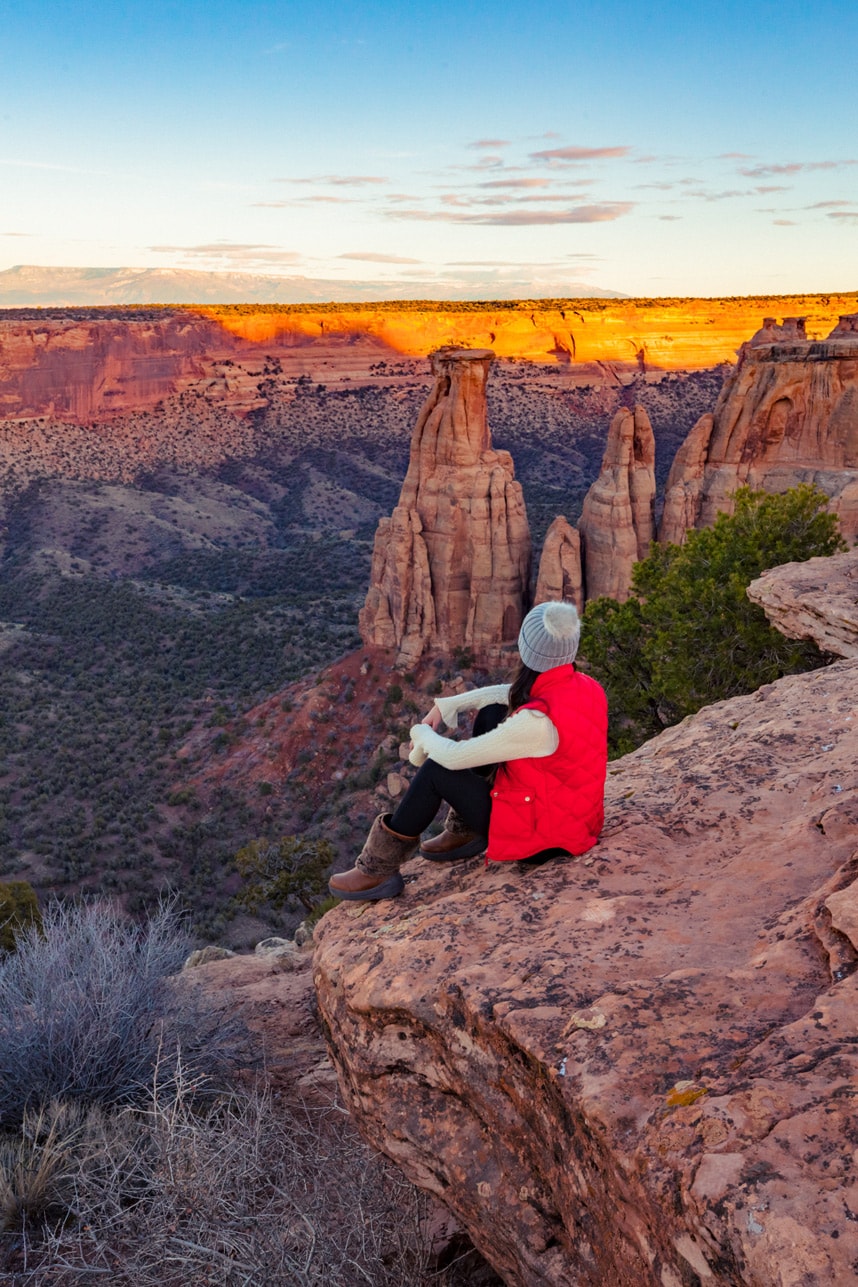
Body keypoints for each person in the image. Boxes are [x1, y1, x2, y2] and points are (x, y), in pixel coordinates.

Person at [328, 601, 608, 901]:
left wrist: (422, 735)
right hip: (571, 820)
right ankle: (468, 830)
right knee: (492, 712)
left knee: (437, 770)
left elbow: (453, 757)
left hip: (543, 840)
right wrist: (448, 705)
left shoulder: (536, 723)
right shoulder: (585, 686)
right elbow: (508, 693)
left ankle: (377, 868)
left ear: (526, 649)